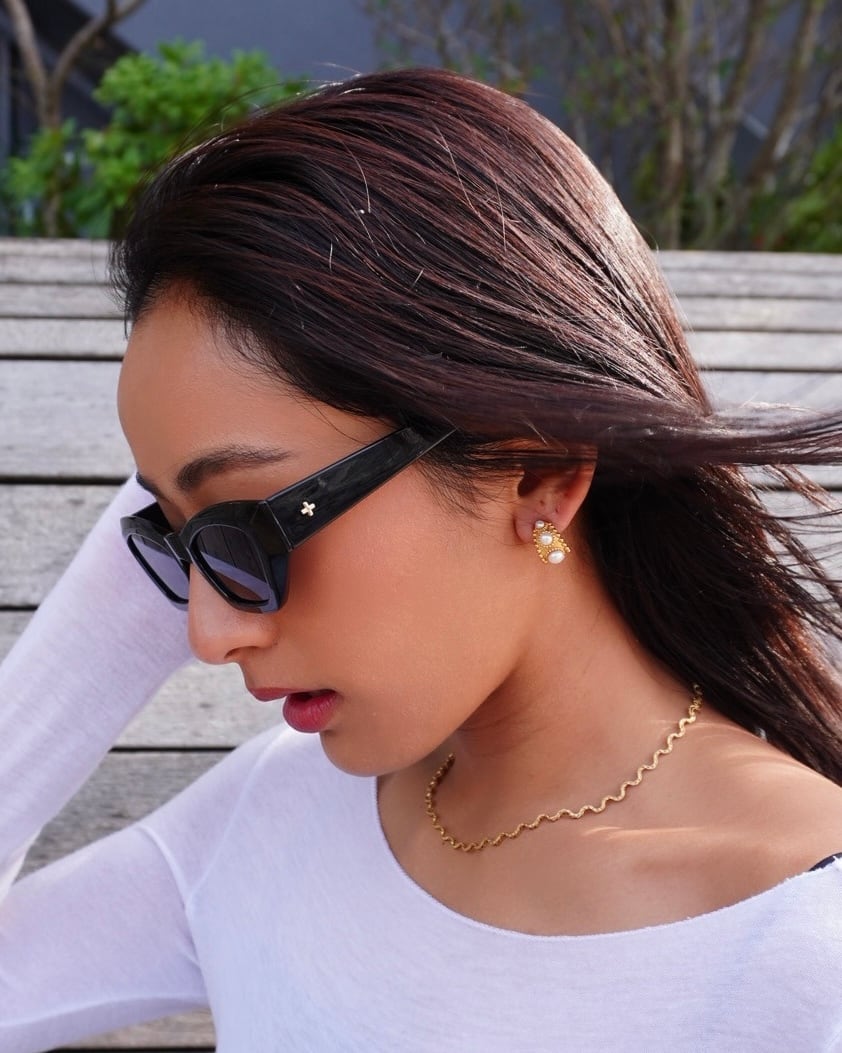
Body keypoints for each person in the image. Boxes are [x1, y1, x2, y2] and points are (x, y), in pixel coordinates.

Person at [2, 67, 842, 1052]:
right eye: (166, 539)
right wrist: (182, 523)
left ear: (538, 469)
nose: (208, 633)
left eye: (250, 526)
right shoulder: (279, 812)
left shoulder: (800, 953)